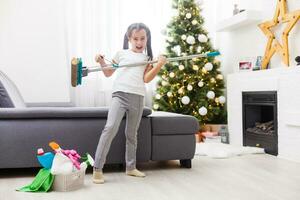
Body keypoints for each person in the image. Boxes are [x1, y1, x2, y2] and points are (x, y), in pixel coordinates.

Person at [93, 23, 167, 184]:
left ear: (147, 39)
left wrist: (159, 64)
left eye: (142, 38)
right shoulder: (121, 54)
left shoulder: (147, 58)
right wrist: (100, 62)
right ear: (129, 39)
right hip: (120, 95)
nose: (139, 42)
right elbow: (107, 73)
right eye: (135, 39)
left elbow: (146, 79)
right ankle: (97, 169)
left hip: (138, 97)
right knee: (110, 128)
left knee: (131, 134)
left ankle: (131, 167)